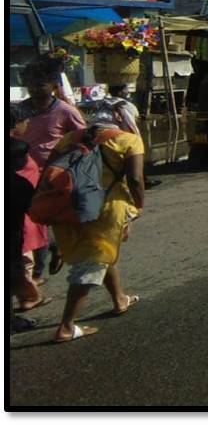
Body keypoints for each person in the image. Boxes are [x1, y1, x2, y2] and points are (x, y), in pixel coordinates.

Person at [47, 116, 146, 343]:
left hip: (68, 206)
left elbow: (49, 172)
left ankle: (119, 299)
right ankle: (66, 327)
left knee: (103, 251)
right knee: (92, 262)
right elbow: (135, 178)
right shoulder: (128, 140)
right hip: (105, 207)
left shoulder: (69, 138)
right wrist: (139, 203)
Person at [16, 63, 86, 282]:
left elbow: (83, 140)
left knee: (38, 221)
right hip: (21, 174)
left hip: (52, 177)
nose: (34, 89)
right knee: (29, 223)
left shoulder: (65, 111)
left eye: (40, 84)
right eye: (30, 84)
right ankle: (51, 248)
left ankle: (37, 274)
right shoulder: (19, 111)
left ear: (54, 86)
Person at [9, 106, 47, 328]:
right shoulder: (18, 180)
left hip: (21, 221)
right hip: (18, 225)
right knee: (18, 265)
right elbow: (33, 208)